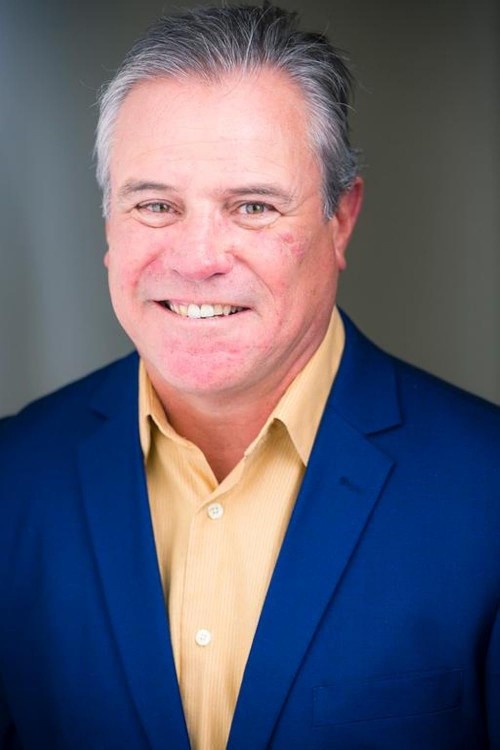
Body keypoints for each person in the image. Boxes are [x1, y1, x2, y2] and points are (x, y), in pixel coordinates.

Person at [0, 4, 499, 748]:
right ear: (108, 223)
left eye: (254, 206)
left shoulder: (488, 489)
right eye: (156, 204)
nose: (198, 258)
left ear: (341, 221)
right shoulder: (13, 476)